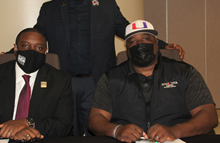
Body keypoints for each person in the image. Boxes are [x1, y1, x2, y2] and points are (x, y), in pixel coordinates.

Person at [0, 0, 184, 136]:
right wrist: (9, 53)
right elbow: (36, 35)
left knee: (98, 129)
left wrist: (164, 45)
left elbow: (128, 30)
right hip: (64, 81)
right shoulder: (50, 8)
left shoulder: (107, 5)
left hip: (97, 80)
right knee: (67, 128)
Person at [88, 20, 218, 143]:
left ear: (156, 43)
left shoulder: (184, 72)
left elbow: (209, 115)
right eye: (132, 41)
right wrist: (116, 130)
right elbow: (95, 118)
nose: (139, 44)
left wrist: (175, 131)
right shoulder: (111, 78)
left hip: (178, 139)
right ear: (127, 48)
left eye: (145, 39)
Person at [0, 28, 73, 140]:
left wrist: (28, 123)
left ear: (45, 51)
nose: (32, 51)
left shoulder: (59, 80)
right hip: (0, 139)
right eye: (25, 46)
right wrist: (11, 132)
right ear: (15, 48)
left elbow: (63, 125)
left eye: (39, 48)